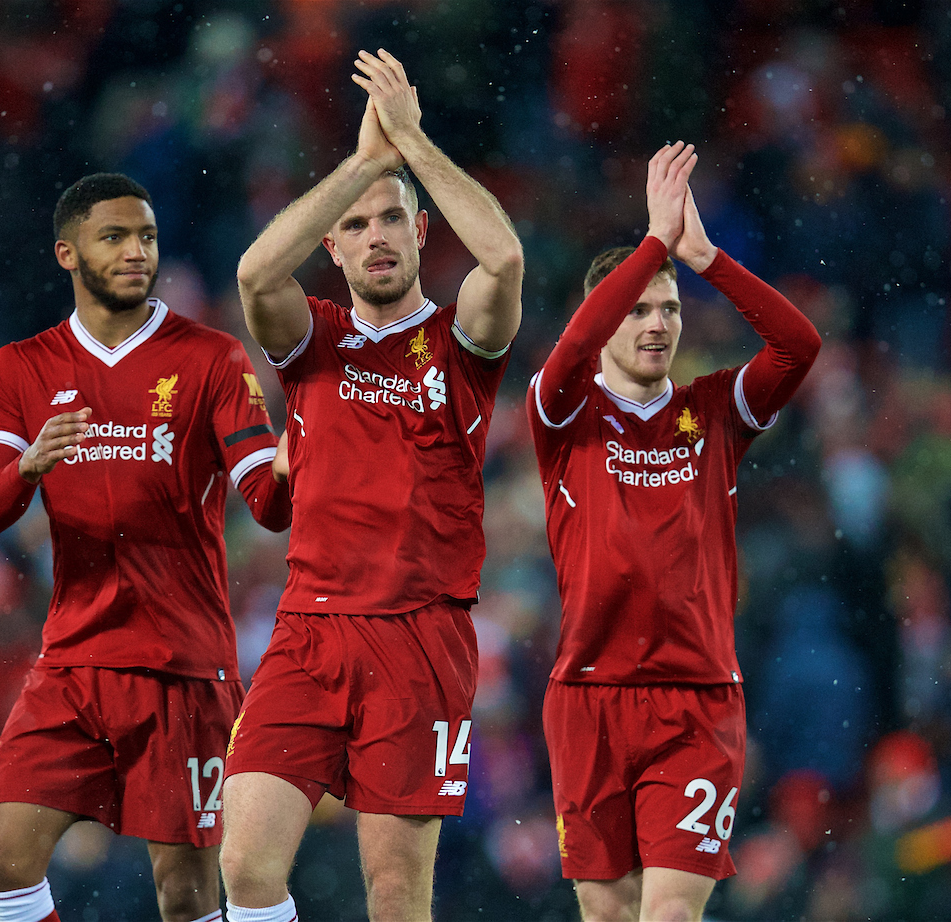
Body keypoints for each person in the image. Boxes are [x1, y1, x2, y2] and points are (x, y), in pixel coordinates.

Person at [218, 49, 523, 922]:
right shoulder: (311, 340)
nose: (377, 235)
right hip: (309, 631)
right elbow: (252, 274)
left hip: (420, 639)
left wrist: (412, 146)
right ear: (334, 245)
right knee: (244, 867)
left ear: (421, 233)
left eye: (393, 220)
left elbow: (501, 260)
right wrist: (364, 164)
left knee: (395, 897)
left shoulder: (461, 344)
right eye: (356, 226)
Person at [0, 172, 291, 922]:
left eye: (145, 236)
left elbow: (268, 506)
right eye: (113, 237)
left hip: (183, 663)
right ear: (67, 253)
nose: (135, 251)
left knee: (186, 894)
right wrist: (27, 466)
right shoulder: (22, 368)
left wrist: (298, 457)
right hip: (73, 661)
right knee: (5, 858)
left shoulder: (212, 358)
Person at [527, 142, 822, 922]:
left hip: (696, 701)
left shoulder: (715, 410)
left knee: (667, 915)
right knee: (608, 914)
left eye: (669, 308)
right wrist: (654, 242)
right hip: (587, 697)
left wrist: (704, 257)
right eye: (638, 309)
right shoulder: (563, 411)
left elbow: (800, 346)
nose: (657, 324)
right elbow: (568, 351)